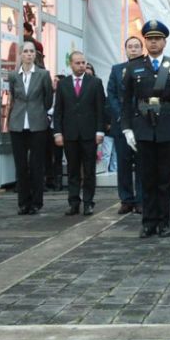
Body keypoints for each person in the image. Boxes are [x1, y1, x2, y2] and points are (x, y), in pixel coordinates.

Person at [121, 20, 170, 238]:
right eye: (150, 39)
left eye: (157, 39)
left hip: (169, 128)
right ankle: (148, 223)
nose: (153, 43)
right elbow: (126, 102)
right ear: (145, 41)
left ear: (164, 42)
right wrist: (127, 129)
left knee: (164, 178)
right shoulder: (133, 67)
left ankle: (164, 222)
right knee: (146, 178)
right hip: (143, 127)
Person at [53, 51, 106, 216]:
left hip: (89, 134)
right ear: (71, 64)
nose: (81, 66)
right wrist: (57, 132)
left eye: (83, 62)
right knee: (73, 170)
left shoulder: (95, 83)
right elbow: (58, 111)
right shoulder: (63, 84)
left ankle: (88, 202)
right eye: (78, 63)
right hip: (70, 134)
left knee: (89, 170)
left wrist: (100, 131)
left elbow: (100, 109)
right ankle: (74, 202)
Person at [7, 41, 53, 215]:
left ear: (35, 55)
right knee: (20, 165)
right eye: (25, 51)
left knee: (36, 165)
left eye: (31, 51)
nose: (28, 54)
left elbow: (48, 99)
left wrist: (39, 111)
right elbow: (14, 96)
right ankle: (23, 203)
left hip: (37, 124)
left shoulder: (43, 74)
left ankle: (36, 202)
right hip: (17, 124)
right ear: (21, 54)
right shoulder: (13, 75)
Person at [107, 36, 145, 214]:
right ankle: (126, 199)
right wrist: (121, 114)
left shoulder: (148, 68)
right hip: (122, 123)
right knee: (123, 163)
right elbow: (111, 94)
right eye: (130, 46)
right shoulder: (117, 69)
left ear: (142, 49)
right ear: (126, 49)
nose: (133, 49)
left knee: (142, 163)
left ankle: (141, 200)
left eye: (137, 46)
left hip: (142, 123)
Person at [45, 74, 65, 191]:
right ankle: (49, 179)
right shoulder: (49, 95)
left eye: (57, 81)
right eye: (54, 80)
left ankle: (58, 181)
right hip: (47, 128)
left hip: (58, 129)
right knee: (47, 155)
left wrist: (50, 112)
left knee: (58, 156)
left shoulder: (63, 95)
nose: (54, 83)